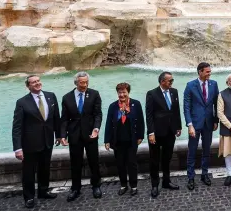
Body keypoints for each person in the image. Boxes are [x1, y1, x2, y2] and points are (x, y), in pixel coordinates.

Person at [12, 75, 61, 208]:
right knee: (28, 172)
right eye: (33, 82)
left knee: (44, 168)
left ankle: (43, 191)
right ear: (28, 86)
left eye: (38, 81)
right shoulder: (22, 102)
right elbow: (17, 127)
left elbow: (56, 117)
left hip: (47, 140)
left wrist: (59, 135)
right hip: (29, 144)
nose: (37, 83)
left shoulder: (51, 96)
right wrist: (17, 148)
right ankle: (29, 197)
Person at [60, 71, 103, 201]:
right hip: (74, 135)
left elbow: (98, 114)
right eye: (81, 82)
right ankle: (75, 189)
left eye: (86, 82)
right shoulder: (67, 97)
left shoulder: (94, 94)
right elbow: (64, 119)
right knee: (75, 163)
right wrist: (63, 135)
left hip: (91, 134)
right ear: (76, 83)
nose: (84, 85)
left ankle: (96, 186)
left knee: (94, 162)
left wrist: (96, 128)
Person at [104, 83, 144, 196]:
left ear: (128, 92)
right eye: (119, 92)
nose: (122, 95)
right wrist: (107, 140)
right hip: (118, 141)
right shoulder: (113, 106)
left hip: (131, 140)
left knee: (132, 163)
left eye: (124, 92)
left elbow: (141, 121)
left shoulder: (136, 104)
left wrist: (140, 136)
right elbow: (108, 123)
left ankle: (134, 186)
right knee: (120, 164)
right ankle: (123, 185)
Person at [146, 71, 182, 197]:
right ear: (162, 81)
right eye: (170, 81)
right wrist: (151, 133)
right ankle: (154, 185)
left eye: (172, 80)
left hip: (170, 131)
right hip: (156, 133)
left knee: (167, 158)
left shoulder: (174, 92)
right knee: (154, 160)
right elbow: (149, 115)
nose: (172, 82)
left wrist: (178, 126)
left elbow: (176, 110)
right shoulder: (151, 94)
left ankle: (166, 181)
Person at [183, 62, 219, 190]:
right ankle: (191, 177)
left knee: (207, 150)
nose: (210, 73)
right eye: (207, 71)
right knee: (191, 151)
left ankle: (205, 174)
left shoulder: (214, 84)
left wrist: (216, 121)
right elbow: (186, 107)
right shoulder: (190, 85)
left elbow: (216, 104)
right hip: (195, 124)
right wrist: (189, 125)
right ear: (200, 72)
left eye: (210, 71)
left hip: (209, 123)